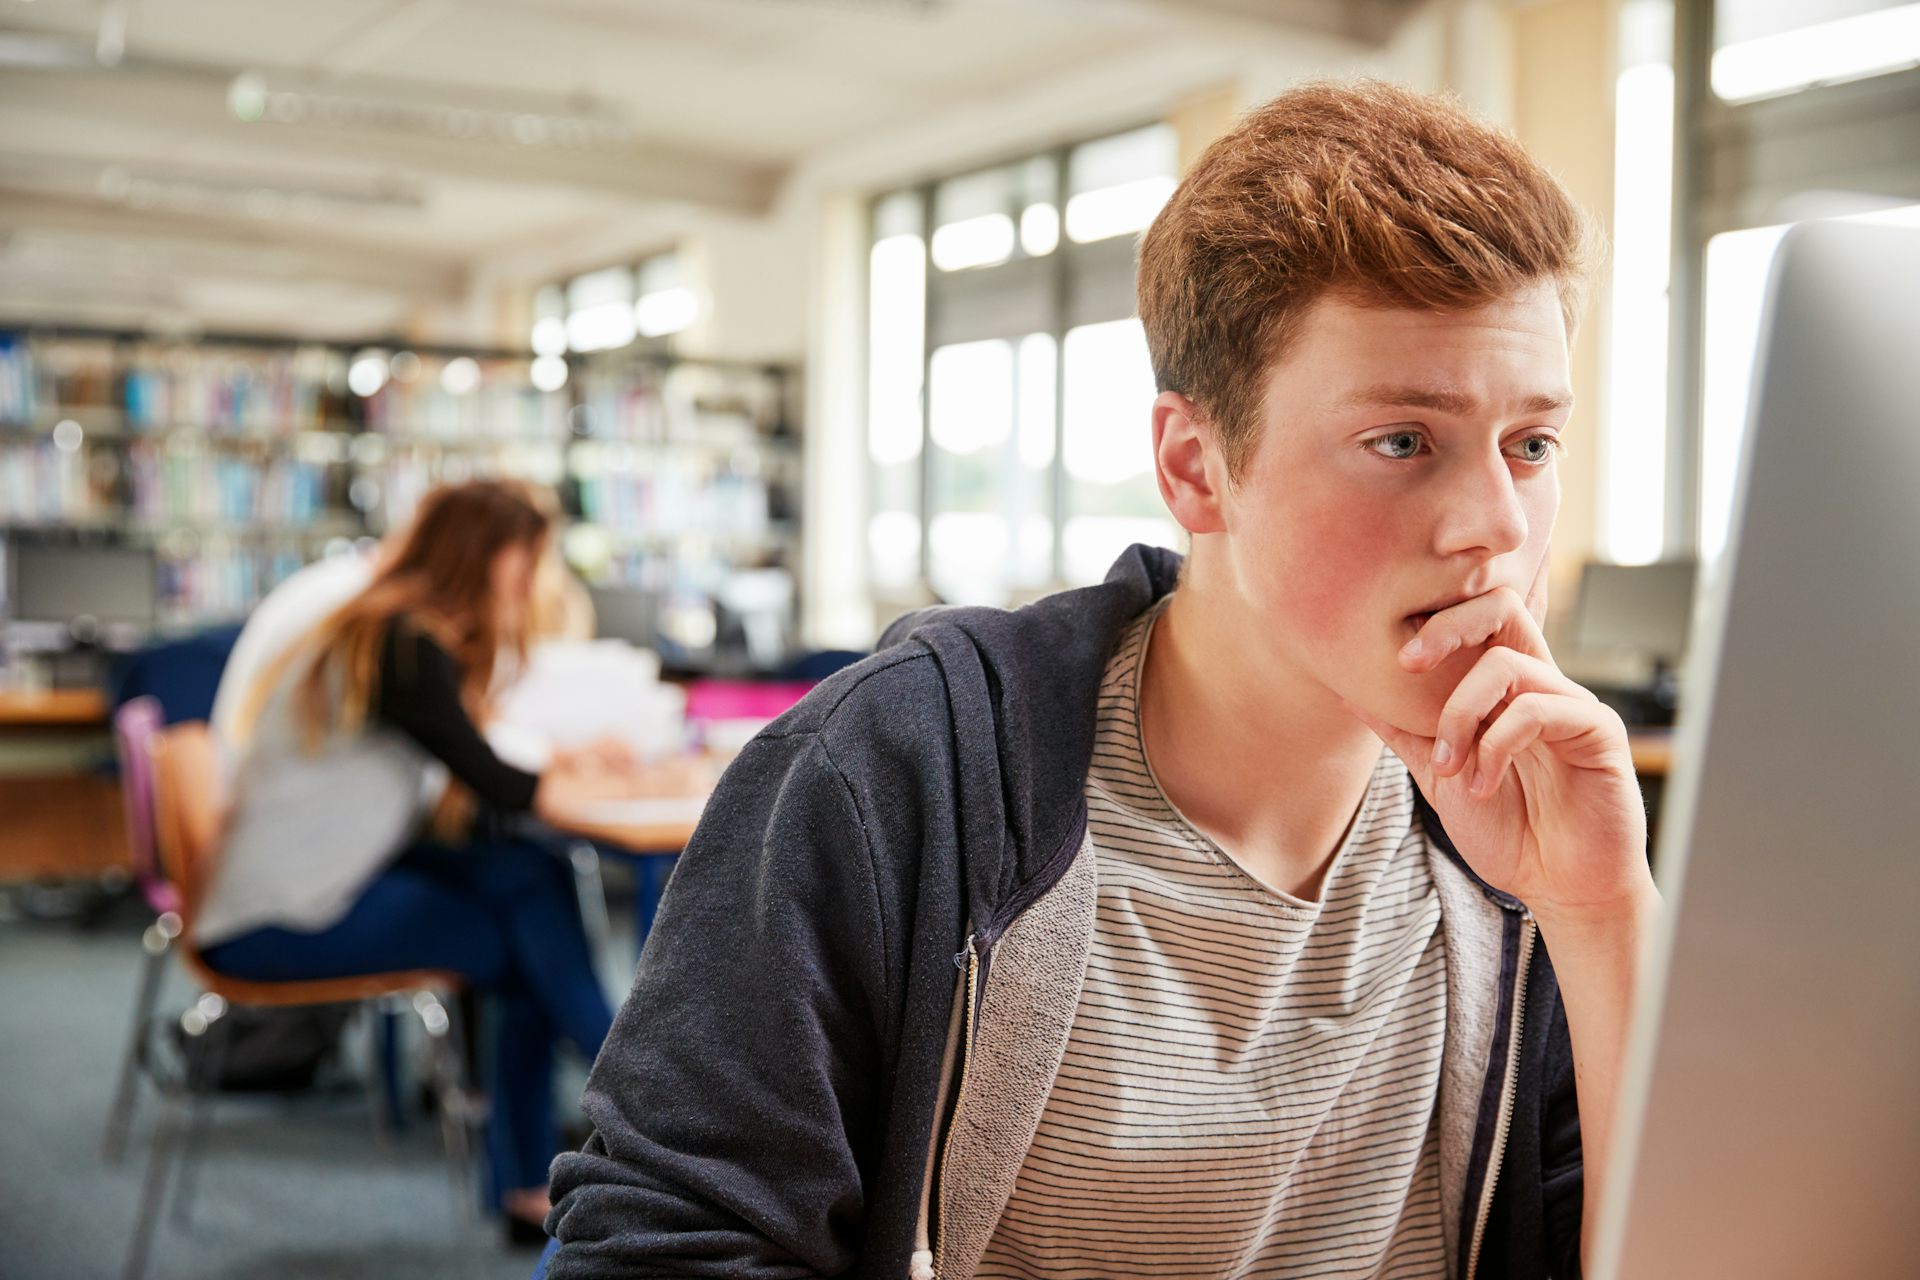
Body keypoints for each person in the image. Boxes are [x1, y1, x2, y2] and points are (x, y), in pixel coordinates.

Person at [547, 81, 1659, 1280]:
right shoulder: (899, 772)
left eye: (1531, 444)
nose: (1497, 522)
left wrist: (1603, 916)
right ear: (1196, 467)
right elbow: (657, 1249)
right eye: (1403, 440)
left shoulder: (1521, 844)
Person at [194, 479, 637, 1242]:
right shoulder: (399, 642)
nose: (533, 581)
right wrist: (612, 788)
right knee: (529, 942)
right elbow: (495, 779)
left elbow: (475, 753)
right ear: (486, 555)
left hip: (324, 875)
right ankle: (633, 1104)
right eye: (527, 558)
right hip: (277, 917)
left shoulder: (389, 623)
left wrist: (566, 766)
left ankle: (577, 1140)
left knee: (532, 877)